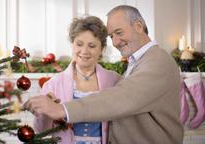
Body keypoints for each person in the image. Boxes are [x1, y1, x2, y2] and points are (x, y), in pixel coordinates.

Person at [24, 5, 184, 144]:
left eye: (119, 32)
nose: (115, 42)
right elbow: (41, 129)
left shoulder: (157, 61)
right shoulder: (137, 61)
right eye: (112, 36)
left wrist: (62, 109)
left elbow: (121, 98)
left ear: (139, 26)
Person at [32, 16, 120, 144]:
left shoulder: (114, 80)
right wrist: (45, 110)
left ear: (101, 49)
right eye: (79, 44)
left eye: (92, 46)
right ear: (72, 44)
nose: (84, 51)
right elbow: (41, 130)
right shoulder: (53, 84)